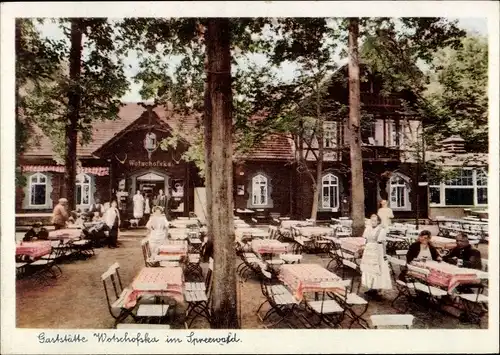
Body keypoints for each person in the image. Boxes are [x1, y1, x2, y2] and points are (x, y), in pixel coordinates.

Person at [360, 214, 392, 299]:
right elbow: (366, 240)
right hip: (369, 251)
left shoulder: (381, 229)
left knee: (378, 269)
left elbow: (383, 243)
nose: (372, 222)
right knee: (369, 269)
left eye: (374, 220)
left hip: (378, 251)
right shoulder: (368, 228)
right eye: (371, 220)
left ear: (378, 221)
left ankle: (378, 289)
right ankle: (371, 287)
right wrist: (364, 248)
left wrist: (384, 254)